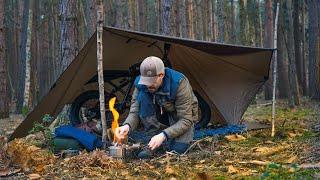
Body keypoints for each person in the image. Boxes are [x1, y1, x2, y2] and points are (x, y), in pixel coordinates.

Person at [115, 56, 198, 158]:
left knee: (177, 150)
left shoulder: (179, 83)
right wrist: (127, 126)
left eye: (152, 81)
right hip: (161, 111)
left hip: (179, 117)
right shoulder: (141, 84)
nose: (148, 85)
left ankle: (161, 137)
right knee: (143, 95)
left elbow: (186, 119)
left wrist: (163, 135)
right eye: (146, 82)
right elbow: (135, 111)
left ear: (161, 75)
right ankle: (152, 138)